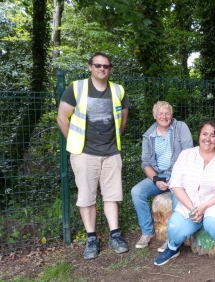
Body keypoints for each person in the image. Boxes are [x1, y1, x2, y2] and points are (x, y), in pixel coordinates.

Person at [57, 52, 130, 259]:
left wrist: (113, 139)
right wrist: (74, 142)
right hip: (84, 152)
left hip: (111, 152)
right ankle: (92, 238)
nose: (101, 69)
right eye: (97, 65)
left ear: (110, 69)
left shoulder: (118, 90)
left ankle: (115, 235)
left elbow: (122, 119)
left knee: (112, 195)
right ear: (90, 67)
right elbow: (62, 118)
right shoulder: (77, 88)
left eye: (106, 66)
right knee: (87, 197)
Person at [153, 120, 215, 269]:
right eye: (205, 134)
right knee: (175, 228)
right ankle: (172, 249)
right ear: (199, 135)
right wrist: (193, 209)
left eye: (213, 135)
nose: (208, 139)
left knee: (214, 223)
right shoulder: (186, 155)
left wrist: (204, 207)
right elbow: (176, 184)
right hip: (190, 203)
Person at [131, 101, 193, 252]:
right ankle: (147, 232)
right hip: (159, 175)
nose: (164, 116)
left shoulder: (181, 128)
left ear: (171, 115)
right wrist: (156, 179)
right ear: (154, 116)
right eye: (160, 114)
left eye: (167, 113)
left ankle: (173, 238)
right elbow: (145, 163)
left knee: (177, 196)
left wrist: (175, 178)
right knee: (136, 192)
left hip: (180, 174)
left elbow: (189, 154)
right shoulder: (148, 136)